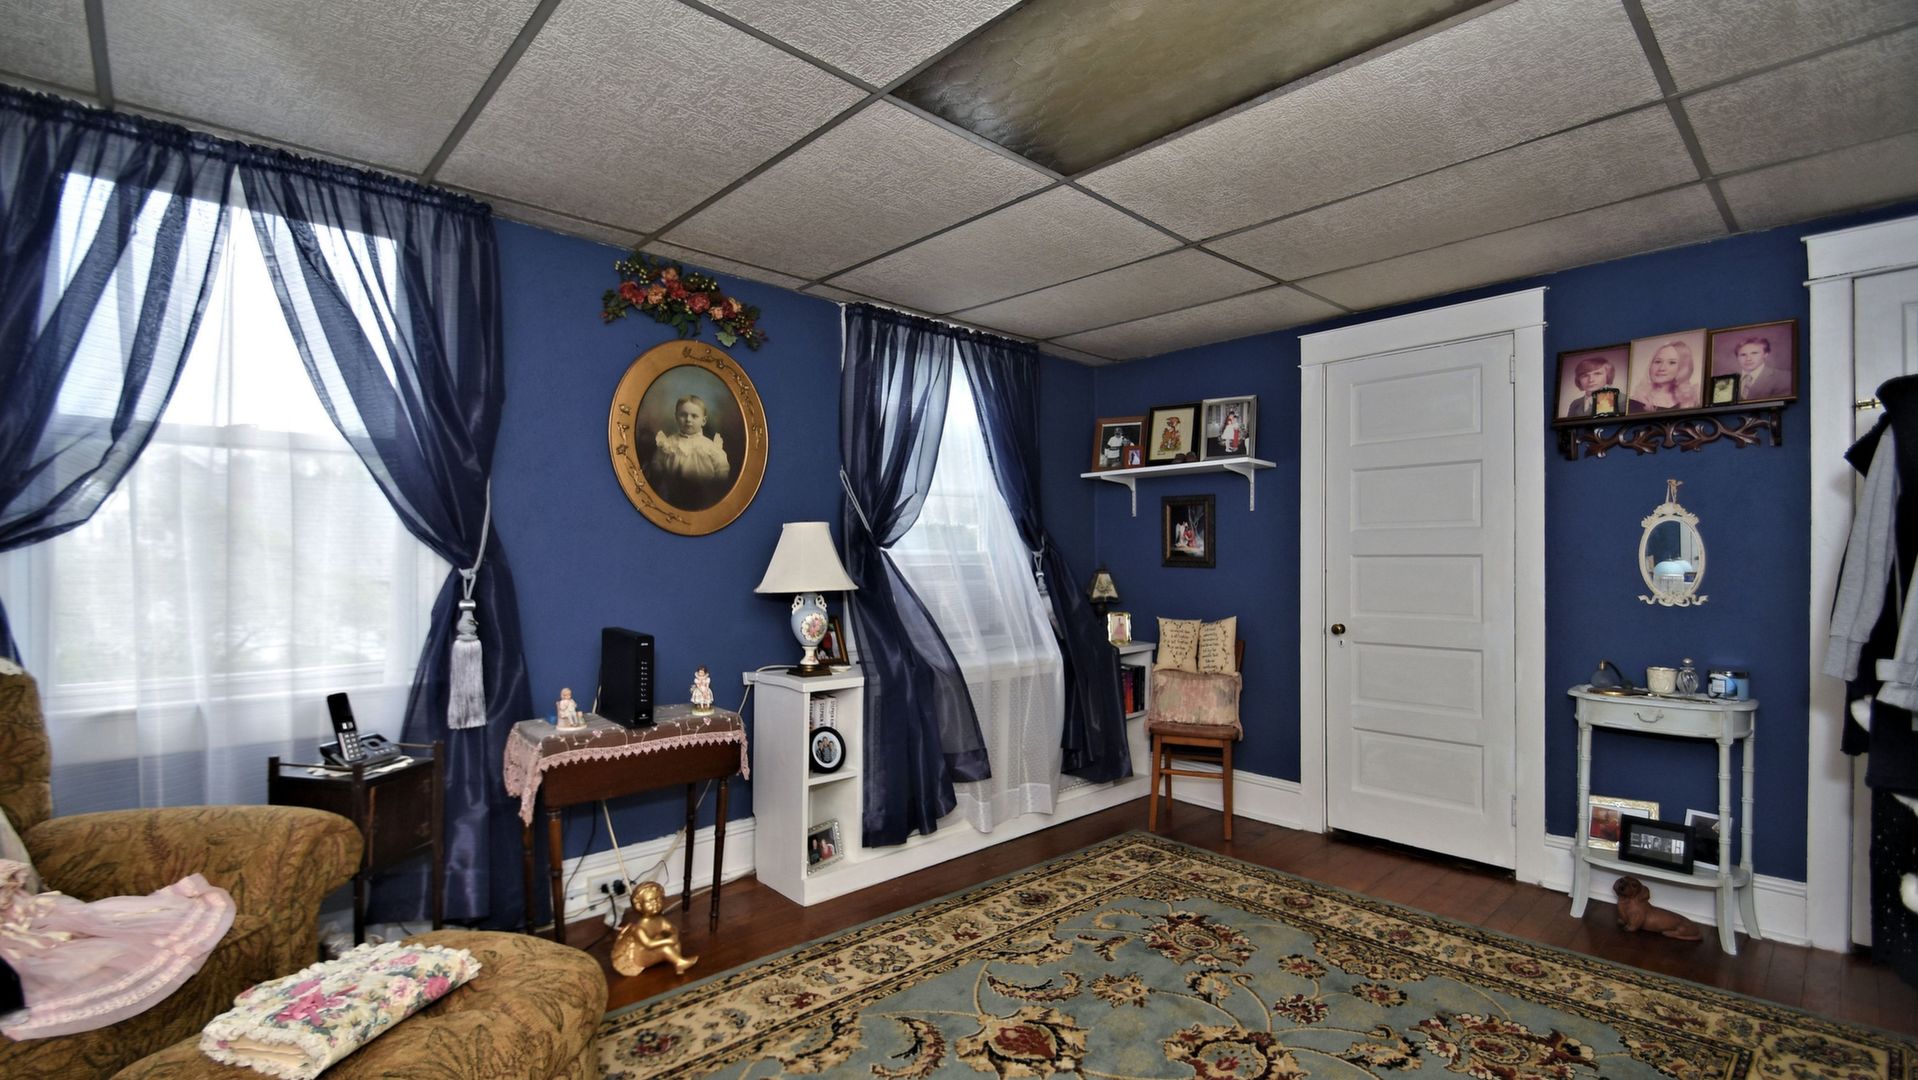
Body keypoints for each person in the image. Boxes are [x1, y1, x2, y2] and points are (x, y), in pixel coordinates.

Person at [647, 394, 730, 509]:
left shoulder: (710, 446)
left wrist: (715, 489)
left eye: (694, 416)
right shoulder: (668, 443)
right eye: (683, 415)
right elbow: (657, 464)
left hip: (703, 495)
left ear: (703, 420)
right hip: (673, 495)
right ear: (676, 417)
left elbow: (722, 469)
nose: (688, 420)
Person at [610, 882, 697, 976]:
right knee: (665, 947)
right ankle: (680, 962)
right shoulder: (639, 928)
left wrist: (674, 935)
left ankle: (677, 963)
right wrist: (668, 940)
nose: (655, 903)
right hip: (642, 957)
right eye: (650, 901)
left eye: (658, 899)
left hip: (654, 949)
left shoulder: (660, 919)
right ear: (639, 905)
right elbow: (649, 944)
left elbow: (672, 928)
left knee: (676, 943)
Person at [1630, 340, 1701, 413]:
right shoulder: (1634, 402)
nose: (1661, 368)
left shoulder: (1693, 401)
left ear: (1683, 367)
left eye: (1672, 362)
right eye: (1658, 361)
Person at [1730, 336, 1791, 400]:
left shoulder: (1784, 377)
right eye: (1743, 355)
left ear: (1765, 355)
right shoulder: (1730, 381)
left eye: (1754, 353)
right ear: (1737, 358)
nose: (1748, 359)